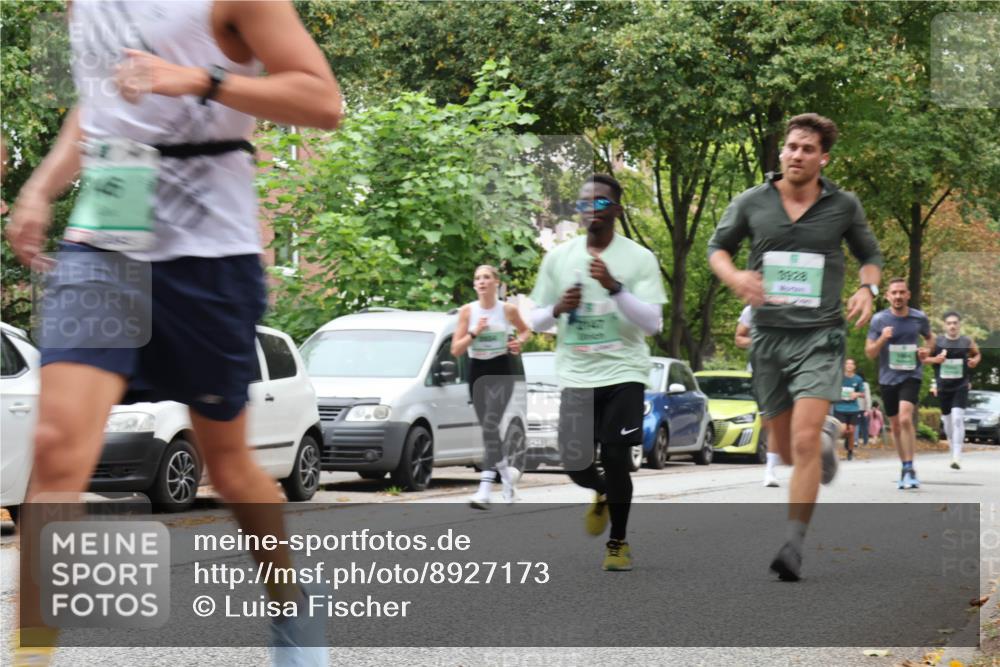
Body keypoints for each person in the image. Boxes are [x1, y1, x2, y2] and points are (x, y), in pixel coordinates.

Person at [5, 2, 342, 666]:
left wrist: (197, 80)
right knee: (55, 446)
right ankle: (33, 654)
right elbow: (100, 110)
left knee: (229, 463)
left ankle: (291, 610)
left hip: (210, 246)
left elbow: (322, 100)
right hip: (108, 230)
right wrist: (42, 188)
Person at [707, 113, 882, 581]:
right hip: (768, 336)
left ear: (823, 158)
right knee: (782, 447)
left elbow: (870, 255)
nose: (796, 155)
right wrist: (736, 276)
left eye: (807, 149)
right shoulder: (752, 202)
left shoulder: (843, 205)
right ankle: (823, 439)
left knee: (801, 440)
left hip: (820, 336)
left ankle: (793, 544)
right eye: (791, 147)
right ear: (780, 152)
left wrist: (868, 289)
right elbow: (717, 248)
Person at [530, 174, 666, 571]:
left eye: (602, 202)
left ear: (617, 210)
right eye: (585, 203)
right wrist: (557, 308)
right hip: (576, 374)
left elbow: (653, 324)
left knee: (617, 455)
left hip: (624, 371)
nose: (592, 209)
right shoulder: (558, 258)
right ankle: (603, 492)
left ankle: (617, 543)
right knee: (575, 462)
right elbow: (534, 319)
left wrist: (615, 287)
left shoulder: (639, 258)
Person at [452, 264, 532, 508]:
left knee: (490, 425)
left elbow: (526, 330)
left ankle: (485, 490)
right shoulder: (468, 311)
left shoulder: (507, 309)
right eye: (477, 278)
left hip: (501, 371)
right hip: (477, 371)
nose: (482, 281)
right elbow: (456, 350)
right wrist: (475, 332)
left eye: (487, 277)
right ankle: (508, 481)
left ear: (496, 282)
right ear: (475, 284)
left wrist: (518, 342)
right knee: (490, 430)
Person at [865, 278, 934, 489]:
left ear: (908, 295)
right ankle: (904, 466)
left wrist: (926, 351)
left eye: (901, 292)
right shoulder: (879, 320)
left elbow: (930, 339)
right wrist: (883, 338)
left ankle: (911, 466)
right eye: (894, 293)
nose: (898, 296)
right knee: (895, 425)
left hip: (911, 375)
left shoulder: (918, 317)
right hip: (888, 378)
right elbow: (870, 353)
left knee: (905, 418)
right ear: (887, 296)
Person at [926, 311, 981, 469]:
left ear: (959, 325)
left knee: (957, 418)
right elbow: (924, 359)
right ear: (945, 325)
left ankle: (957, 455)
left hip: (961, 386)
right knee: (948, 421)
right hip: (943, 386)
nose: (952, 326)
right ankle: (953, 447)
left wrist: (974, 361)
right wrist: (935, 359)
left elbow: (977, 355)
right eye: (949, 323)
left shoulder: (966, 341)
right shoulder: (937, 342)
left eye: (955, 323)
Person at [735, 304, 781, 487]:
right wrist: (758, 341)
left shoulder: (796, 304)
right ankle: (770, 470)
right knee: (770, 420)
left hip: (791, 366)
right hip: (761, 370)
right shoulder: (751, 310)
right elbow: (739, 338)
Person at [832, 358, 865, 460]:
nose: (849, 366)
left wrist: (857, 394)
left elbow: (863, 394)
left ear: (854, 366)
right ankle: (835, 449)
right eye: (847, 364)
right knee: (842, 430)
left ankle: (850, 452)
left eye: (851, 364)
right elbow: (832, 389)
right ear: (844, 366)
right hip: (840, 407)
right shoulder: (839, 378)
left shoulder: (858, 379)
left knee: (851, 431)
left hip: (853, 409)